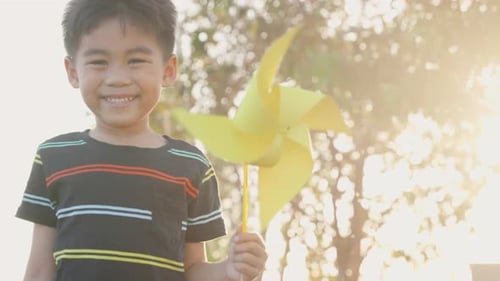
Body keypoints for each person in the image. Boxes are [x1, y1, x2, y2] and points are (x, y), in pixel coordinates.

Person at [15, 0, 267, 280]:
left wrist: (230, 270)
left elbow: (193, 269)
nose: (118, 78)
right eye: (99, 62)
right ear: (73, 71)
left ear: (168, 69)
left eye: (136, 61)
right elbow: (39, 269)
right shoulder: (53, 157)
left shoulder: (190, 166)